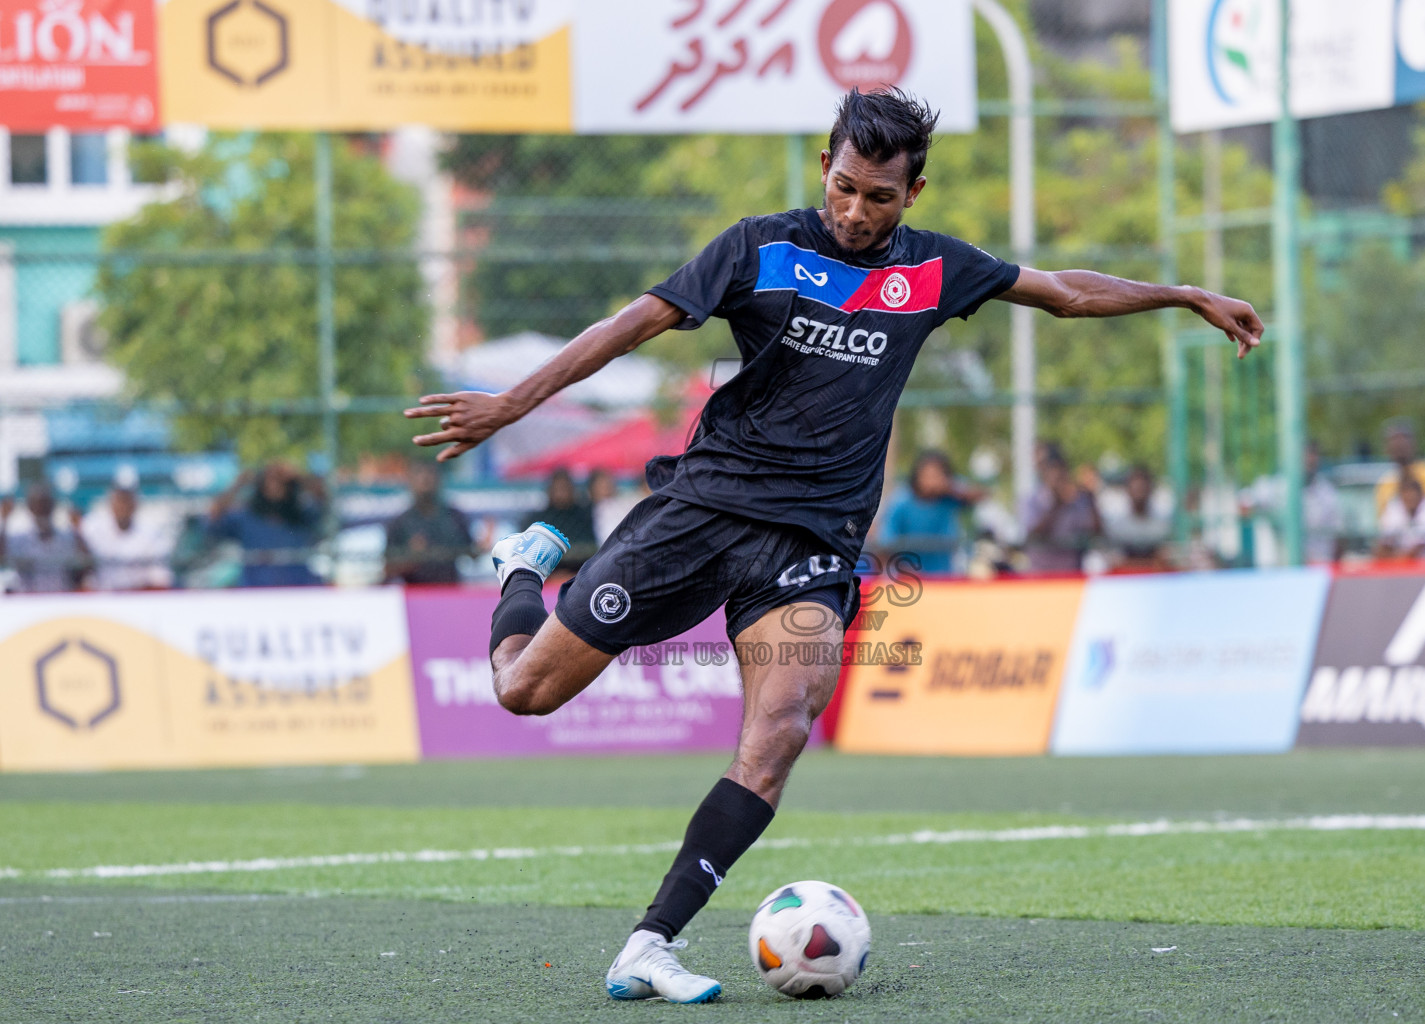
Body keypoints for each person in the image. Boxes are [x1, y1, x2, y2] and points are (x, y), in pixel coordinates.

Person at [404, 89, 1263, 1004]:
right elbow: (628, 327)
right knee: (523, 690)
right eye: (846, 189)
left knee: (780, 726)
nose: (857, 213)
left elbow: (1065, 293)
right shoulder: (757, 247)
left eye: (880, 198)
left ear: (913, 191)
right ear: (825, 168)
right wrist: (509, 405)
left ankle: (650, 944)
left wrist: (1183, 294)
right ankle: (523, 572)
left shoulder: (936, 271)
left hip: (812, 541)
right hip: (703, 509)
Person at [207, 463, 326, 587]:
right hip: (257, 590)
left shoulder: (302, 515)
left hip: (297, 589)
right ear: (261, 485)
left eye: (281, 482)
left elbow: (325, 504)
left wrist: (301, 479)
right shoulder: (246, 517)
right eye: (271, 480)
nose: (275, 486)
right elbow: (214, 518)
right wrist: (237, 485)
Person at [875, 450, 977, 575]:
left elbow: (978, 495)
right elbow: (884, 544)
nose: (932, 481)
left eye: (936, 476)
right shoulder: (901, 501)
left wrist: (950, 488)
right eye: (927, 475)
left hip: (944, 577)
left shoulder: (949, 498)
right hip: (909, 579)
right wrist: (903, 570)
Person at [79, 471, 176, 590]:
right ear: (111, 502)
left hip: (138, 599)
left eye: (127, 500)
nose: (123, 506)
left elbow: (160, 579)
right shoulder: (91, 527)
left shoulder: (152, 531)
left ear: (136, 503)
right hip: (101, 598)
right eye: (119, 499)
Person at [384, 462, 476, 584]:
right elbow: (388, 570)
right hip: (415, 595)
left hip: (451, 592)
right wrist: (412, 557)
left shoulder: (455, 517)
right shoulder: (400, 523)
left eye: (430, 474)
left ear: (439, 479)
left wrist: (483, 547)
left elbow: (472, 554)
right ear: (410, 481)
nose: (425, 479)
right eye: (419, 474)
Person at [1022, 452, 1102, 573]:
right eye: (1054, 477)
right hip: (1040, 572)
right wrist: (1057, 505)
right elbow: (1034, 533)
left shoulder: (1077, 500)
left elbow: (1095, 531)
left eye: (1061, 477)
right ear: (1045, 476)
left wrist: (1091, 499)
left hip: (1071, 573)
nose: (1058, 482)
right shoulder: (1032, 500)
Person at [1, 483, 89, 593]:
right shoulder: (20, 539)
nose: (42, 509)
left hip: (62, 599)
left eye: (45, 504)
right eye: (37, 504)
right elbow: (2, 555)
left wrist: (77, 529)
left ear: (52, 505)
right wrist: (5, 521)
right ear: (30, 507)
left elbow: (88, 563)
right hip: (29, 602)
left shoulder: (67, 537)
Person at [1104, 465, 1172, 570]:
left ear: (1150, 489)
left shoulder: (1162, 525)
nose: (1139, 492)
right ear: (1127, 489)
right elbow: (1114, 561)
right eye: (1136, 488)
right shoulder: (1116, 526)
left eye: (1142, 488)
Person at [1375, 419, 1425, 517]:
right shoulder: (1385, 485)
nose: (1399, 444)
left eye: (1404, 438)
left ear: (1414, 443)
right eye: (1394, 439)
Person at [534, 468, 598, 569]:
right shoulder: (539, 521)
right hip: (549, 576)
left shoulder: (585, 517)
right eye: (558, 489)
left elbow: (591, 549)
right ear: (550, 491)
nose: (562, 493)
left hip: (580, 572)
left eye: (565, 488)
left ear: (572, 490)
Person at [589, 469, 644, 544]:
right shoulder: (588, 510)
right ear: (592, 489)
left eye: (608, 484)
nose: (606, 488)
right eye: (601, 485)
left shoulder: (622, 504)